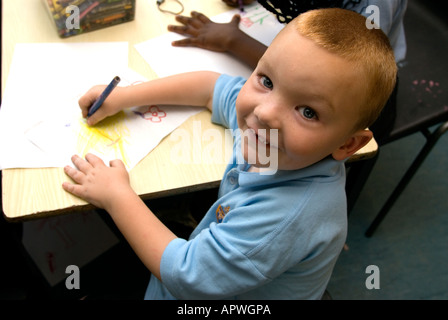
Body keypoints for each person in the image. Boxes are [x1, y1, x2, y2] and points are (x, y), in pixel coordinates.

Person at [62, 8, 397, 299]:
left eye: (307, 112)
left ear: (347, 145)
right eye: (266, 80)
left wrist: (117, 196)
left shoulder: (283, 214)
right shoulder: (276, 135)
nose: (265, 112)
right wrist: (124, 97)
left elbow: (186, 275)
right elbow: (211, 88)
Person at [168, 0, 408, 144]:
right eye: (267, 82)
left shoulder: (373, 5)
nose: (265, 114)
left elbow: (349, 68)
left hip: (362, 96)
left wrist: (234, 41)